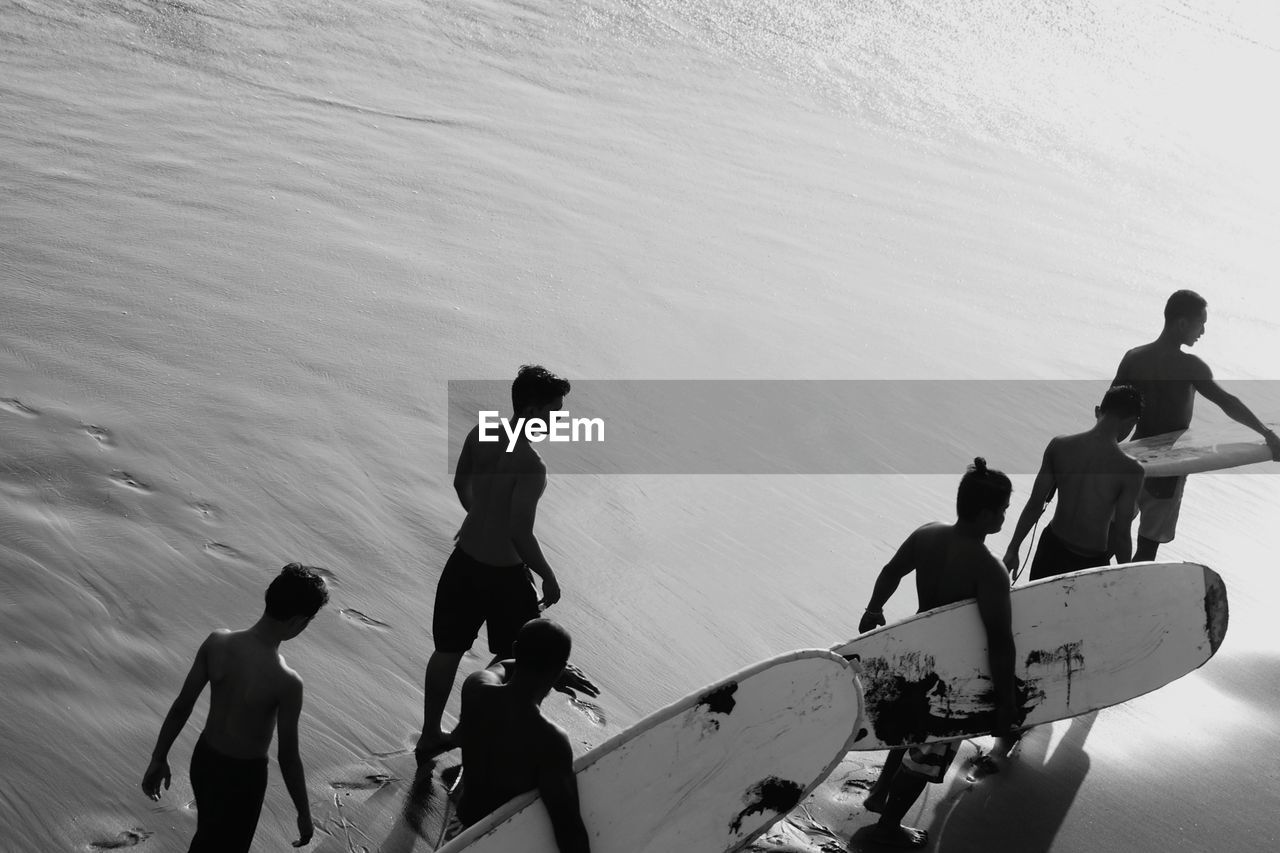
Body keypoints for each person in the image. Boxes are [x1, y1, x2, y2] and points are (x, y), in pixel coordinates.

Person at [419, 365, 597, 757]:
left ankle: (431, 732)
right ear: (533, 410)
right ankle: (468, 728)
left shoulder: (480, 432)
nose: (558, 420)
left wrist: (478, 518)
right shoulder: (531, 465)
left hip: (463, 560)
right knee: (518, 654)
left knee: (447, 649)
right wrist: (548, 576)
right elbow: (519, 533)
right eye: (554, 411)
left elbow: (460, 484)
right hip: (503, 574)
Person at [857, 459, 1018, 849]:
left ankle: (881, 793)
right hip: (951, 674)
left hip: (914, 651)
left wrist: (874, 608)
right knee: (928, 749)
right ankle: (888, 829)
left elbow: (892, 570)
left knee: (905, 726)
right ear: (984, 514)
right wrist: (1007, 702)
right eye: (1002, 510)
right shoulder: (989, 569)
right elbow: (999, 641)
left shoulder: (927, 534)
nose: (1004, 517)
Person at [141, 563, 330, 852]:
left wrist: (159, 756)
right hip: (244, 778)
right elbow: (288, 757)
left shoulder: (218, 642)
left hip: (204, 761)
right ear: (298, 622)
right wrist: (303, 813)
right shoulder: (287, 682)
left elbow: (182, 706)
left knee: (208, 835)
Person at [1112, 289, 1280, 560]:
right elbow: (1227, 402)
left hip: (1132, 460)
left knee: (1111, 538)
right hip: (1169, 466)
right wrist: (1267, 433)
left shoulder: (1134, 358)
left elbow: (1112, 411)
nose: (1202, 331)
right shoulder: (1190, 367)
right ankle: (1129, 596)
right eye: (1200, 323)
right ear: (1182, 323)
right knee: (1147, 548)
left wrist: (1100, 453)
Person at [453, 618, 590, 853]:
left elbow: (502, 668)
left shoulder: (475, 687)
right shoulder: (550, 740)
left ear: (516, 650)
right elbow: (568, 828)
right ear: (559, 669)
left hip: (463, 827)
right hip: (504, 842)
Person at [1003, 386, 1145, 580]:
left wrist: (1013, 549)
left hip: (1051, 550)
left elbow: (1035, 505)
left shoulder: (1059, 446)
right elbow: (1121, 534)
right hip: (1090, 563)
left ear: (1097, 411)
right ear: (1132, 422)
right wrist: (1128, 575)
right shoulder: (1130, 470)